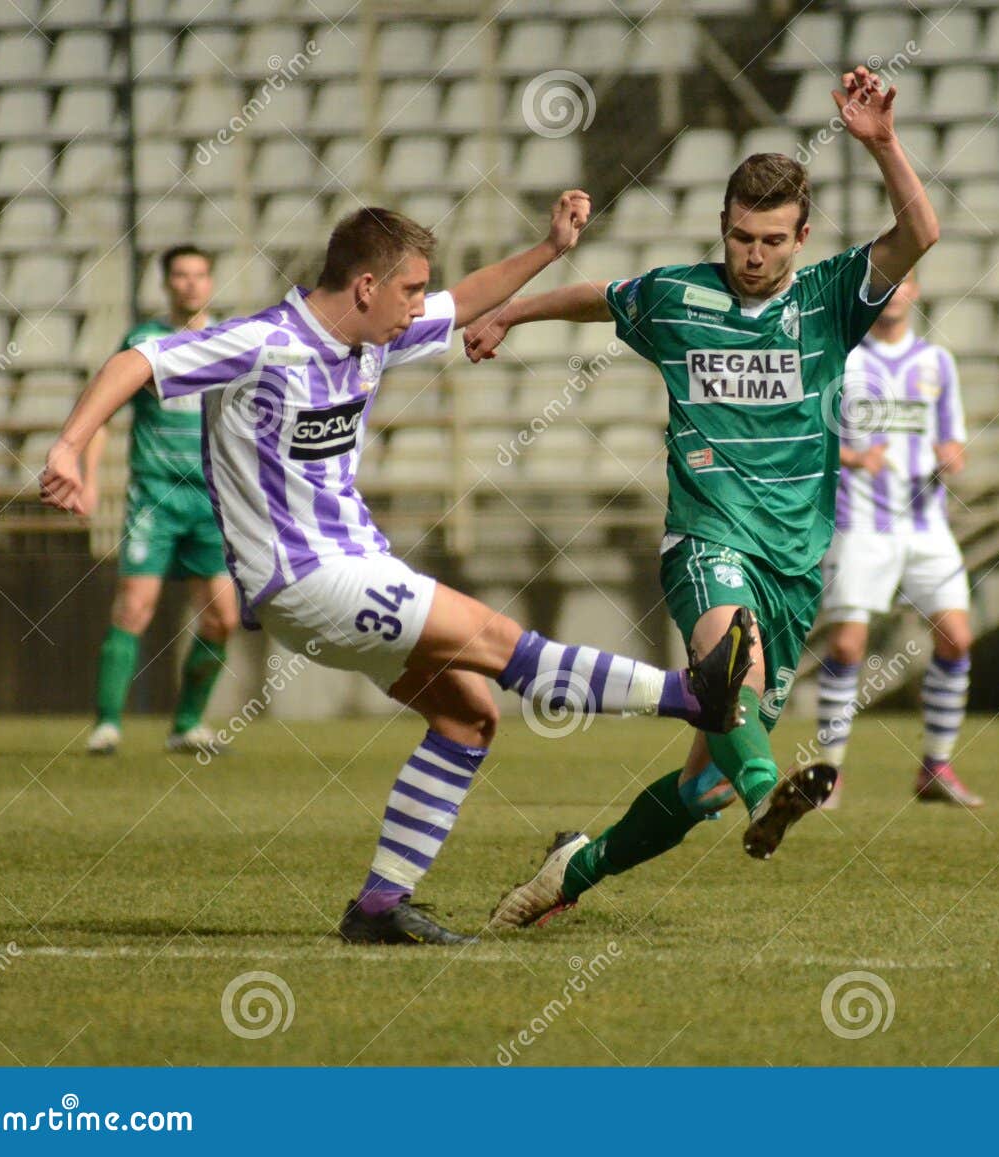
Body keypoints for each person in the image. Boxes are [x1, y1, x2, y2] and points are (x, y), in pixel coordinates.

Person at [41, 196, 753, 946]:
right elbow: (137, 360)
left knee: (468, 716)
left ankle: (380, 906)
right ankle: (688, 694)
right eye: (410, 290)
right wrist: (68, 446)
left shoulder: (377, 338)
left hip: (352, 566)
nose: (421, 307)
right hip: (306, 577)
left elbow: (468, 298)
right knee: (495, 636)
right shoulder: (264, 341)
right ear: (365, 287)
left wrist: (548, 247)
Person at [464, 66, 940, 929]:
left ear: (803, 237)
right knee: (727, 677)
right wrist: (510, 315)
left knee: (702, 782)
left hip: (795, 560)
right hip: (706, 537)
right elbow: (597, 298)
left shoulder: (832, 301)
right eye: (741, 238)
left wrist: (881, 145)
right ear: (722, 226)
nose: (753, 257)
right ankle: (769, 793)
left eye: (772, 241)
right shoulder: (679, 296)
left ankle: (573, 870)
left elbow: (920, 230)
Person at [814, 268, 982, 809]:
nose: (891, 292)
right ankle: (829, 773)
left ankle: (935, 766)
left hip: (926, 525)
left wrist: (953, 455)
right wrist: (855, 458)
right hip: (860, 524)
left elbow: (953, 438)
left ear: (915, 290)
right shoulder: (843, 359)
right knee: (846, 646)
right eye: (881, 283)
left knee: (957, 636)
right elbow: (810, 440)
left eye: (901, 281)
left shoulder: (937, 363)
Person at [83, 246, 239, 756]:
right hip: (155, 497)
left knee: (222, 618)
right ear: (167, 283)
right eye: (180, 275)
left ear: (211, 281)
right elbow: (101, 413)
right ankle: (107, 726)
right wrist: (88, 481)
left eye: (199, 274)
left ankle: (187, 725)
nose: (190, 284)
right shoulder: (144, 341)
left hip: (213, 502)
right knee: (135, 606)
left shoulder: (230, 342)